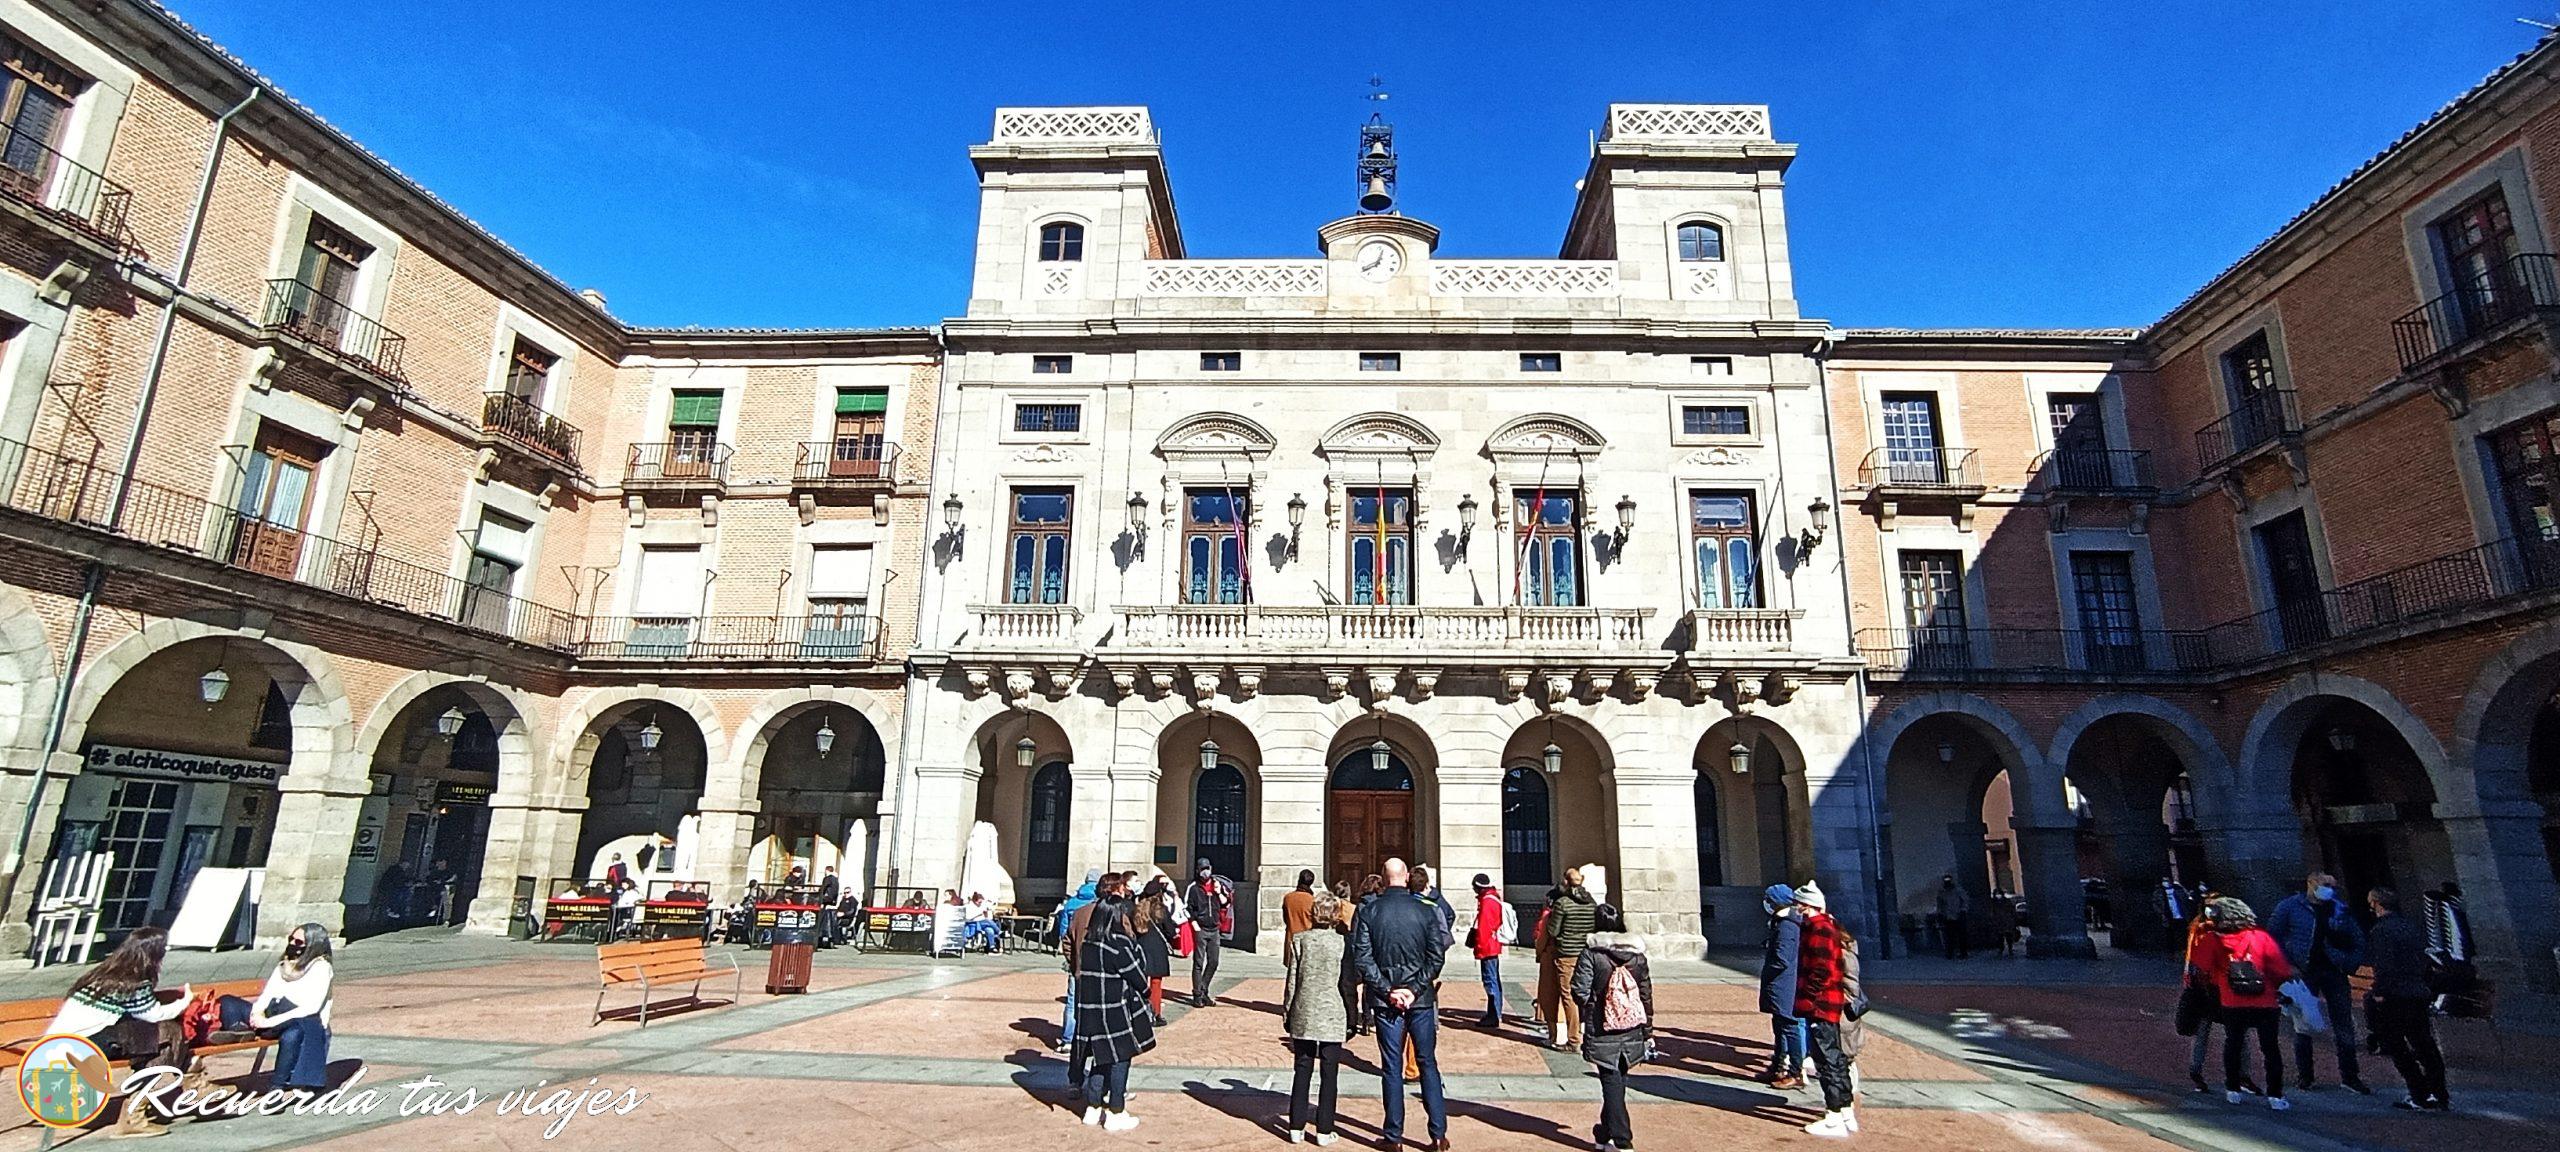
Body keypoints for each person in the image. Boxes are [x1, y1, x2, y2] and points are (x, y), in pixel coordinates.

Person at [46, 926, 195, 1138]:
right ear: (151, 953)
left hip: (59, 1044)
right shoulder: (134, 981)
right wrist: (186, 1001)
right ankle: (136, 1113)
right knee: (169, 1034)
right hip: (84, 1046)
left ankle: (189, 1079)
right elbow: (154, 1015)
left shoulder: (106, 972)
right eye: (164, 949)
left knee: (157, 1037)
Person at [1350, 858, 1449, 1152]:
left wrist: (1388, 990)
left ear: (1384, 877)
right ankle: (1438, 1134)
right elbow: (1436, 958)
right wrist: (1415, 990)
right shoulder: (1427, 910)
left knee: (1392, 1067)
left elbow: (1363, 959)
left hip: (1386, 1001)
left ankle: (1393, 1137)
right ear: (1406, 877)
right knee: (1427, 1063)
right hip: (1419, 1001)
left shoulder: (1370, 912)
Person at [2265, 872, 2368, 1093]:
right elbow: (2272, 937)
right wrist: (2285, 965)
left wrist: (2349, 962)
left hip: (2334, 969)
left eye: (2332, 885)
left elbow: (2357, 938)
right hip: (2304, 971)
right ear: (2311, 884)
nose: (2330, 889)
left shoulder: (2339, 909)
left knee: (2343, 1023)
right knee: (2304, 1024)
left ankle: (2350, 1076)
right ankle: (2305, 1075)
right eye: (2325, 884)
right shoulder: (2290, 906)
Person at [2194, 896, 2294, 1111]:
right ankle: (2275, 1095)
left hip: (2231, 1000)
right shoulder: (2261, 937)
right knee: (2270, 1048)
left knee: (2233, 1043)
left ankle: (2233, 1089)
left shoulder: (2212, 940)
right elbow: (2281, 970)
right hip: (2265, 999)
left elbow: (2201, 966)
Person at [1571, 903, 1652, 1152]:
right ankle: (1603, 1132)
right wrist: (1648, 1029)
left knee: (1611, 1080)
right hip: (1632, 1025)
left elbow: (1579, 990)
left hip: (1602, 1025)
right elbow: (1646, 994)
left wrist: (1595, 1005)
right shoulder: (1637, 957)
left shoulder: (1592, 954)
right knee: (1618, 1080)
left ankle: (1622, 1140)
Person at [1072, 892, 1155, 1132]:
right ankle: (1116, 1111)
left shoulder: (1089, 942)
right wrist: (1146, 990)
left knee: (1100, 1058)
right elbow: (1138, 977)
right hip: (1115, 1008)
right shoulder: (1118, 945)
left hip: (1090, 1009)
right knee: (1120, 1058)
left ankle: (1093, 1106)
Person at [2362, 887, 2450, 1110]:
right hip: (2417, 991)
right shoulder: (2410, 926)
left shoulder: (2382, 931)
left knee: (2396, 1045)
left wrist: (2379, 992)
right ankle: (2438, 1092)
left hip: (2395, 995)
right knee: (2424, 1044)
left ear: (2377, 904)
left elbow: (2384, 965)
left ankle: (2419, 1092)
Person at [1283, 890, 1351, 1145]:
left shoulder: (1300, 940)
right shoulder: (1342, 943)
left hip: (1304, 1009)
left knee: (1302, 1069)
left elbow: (1292, 980)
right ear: (1335, 916)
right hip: (1332, 1012)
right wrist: (1352, 1018)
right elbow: (1346, 984)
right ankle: (1324, 1129)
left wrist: (1287, 1010)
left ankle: (1296, 1126)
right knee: (1329, 1073)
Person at [1793, 882, 1860, 1137]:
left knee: (1826, 1059)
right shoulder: (1826, 926)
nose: (1797, 909)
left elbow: (1820, 968)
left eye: (1799, 905)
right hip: (1827, 1002)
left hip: (1821, 1003)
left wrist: (1810, 995)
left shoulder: (1819, 929)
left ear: (1807, 905)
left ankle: (1833, 1115)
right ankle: (1845, 1110)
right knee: (1835, 1057)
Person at [251, 922, 336, 1092]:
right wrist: (257, 1013)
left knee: (292, 1034)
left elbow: (310, 1008)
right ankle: (237, 1030)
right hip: (274, 1015)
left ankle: (276, 1088)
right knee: (228, 1002)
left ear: (312, 945)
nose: (292, 944)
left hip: (302, 1020)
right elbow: (268, 994)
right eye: (291, 939)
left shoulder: (321, 968)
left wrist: (268, 1022)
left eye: (298, 942)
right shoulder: (285, 964)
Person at [1540, 870, 1599, 1051]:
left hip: (1565, 954)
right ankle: (1587, 1033)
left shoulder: (1563, 904)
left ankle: (1573, 1040)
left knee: (1567, 996)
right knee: (1586, 994)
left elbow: (1553, 931)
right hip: (1586, 954)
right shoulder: (1592, 904)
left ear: (1566, 882)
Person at [1756, 884, 1807, 1089]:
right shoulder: (1781, 921)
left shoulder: (1787, 924)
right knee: (1779, 1026)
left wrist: (1770, 968)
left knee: (1789, 1026)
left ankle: (1796, 1070)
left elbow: (1783, 958)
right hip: (1780, 984)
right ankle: (1778, 1065)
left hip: (1785, 983)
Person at [1052, 869, 1102, 1054]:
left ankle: (1067, 1039)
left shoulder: (1071, 902)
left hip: (1076, 960)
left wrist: (1070, 956)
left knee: (1072, 1000)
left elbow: (1064, 933)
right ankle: (1090, 1039)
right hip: (1095, 960)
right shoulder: (1097, 904)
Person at [1184, 859, 1234, 1008]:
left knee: (1214, 961)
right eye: (1203, 869)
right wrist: (1194, 922)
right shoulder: (1193, 888)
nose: (1206, 871)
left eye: (1208, 868)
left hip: (1214, 929)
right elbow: (1188, 908)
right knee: (1198, 962)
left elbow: (1226, 903)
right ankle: (1197, 995)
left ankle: (1203, 988)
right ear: (1198, 871)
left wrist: (1218, 892)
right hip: (1201, 928)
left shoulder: (1217, 885)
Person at [1470, 873, 1510, 1029]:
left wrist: (1478, 948)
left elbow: (1484, 929)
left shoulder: (1487, 902)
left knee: (1490, 980)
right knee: (1494, 979)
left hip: (1488, 947)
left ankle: (1494, 1015)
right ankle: (1495, 1012)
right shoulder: (1492, 899)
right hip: (1492, 946)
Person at [1133, 879, 1175, 1025]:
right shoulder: (1161, 909)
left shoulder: (1138, 908)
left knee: (1141, 983)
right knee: (1156, 984)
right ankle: (1155, 1014)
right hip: (1157, 949)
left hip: (1141, 947)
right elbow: (1170, 930)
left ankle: (1140, 1012)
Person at [1283, 869, 1319, 960]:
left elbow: (1285, 918)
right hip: (1307, 939)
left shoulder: (1288, 898)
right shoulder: (1312, 900)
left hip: (1291, 936)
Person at [1935, 876, 1971, 960]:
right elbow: (1939, 904)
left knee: (1961, 935)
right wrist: (1940, 914)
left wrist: (1963, 910)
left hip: (1959, 915)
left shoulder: (1958, 890)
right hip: (1948, 917)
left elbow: (1965, 900)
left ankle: (1963, 952)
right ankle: (1950, 952)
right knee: (1949, 936)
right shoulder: (1942, 892)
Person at [817, 867, 843, 947]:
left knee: (821, 922)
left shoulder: (827, 879)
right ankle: (831, 941)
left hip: (825, 902)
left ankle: (819, 940)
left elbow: (823, 889)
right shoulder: (836, 880)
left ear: (826, 871)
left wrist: (820, 898)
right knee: (830, 924)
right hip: (832, 903)